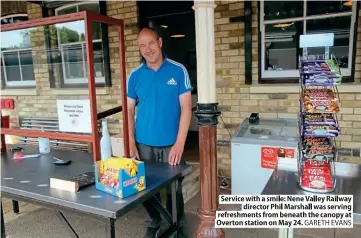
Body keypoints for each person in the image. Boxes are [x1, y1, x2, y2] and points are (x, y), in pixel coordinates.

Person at [126, 27, 193, 238]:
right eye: (142, 45)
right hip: (143, 143)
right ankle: (154, 220)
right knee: (144, 187)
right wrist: (130, 141)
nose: (147, 49)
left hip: (171, 143)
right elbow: (128, 110)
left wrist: (180, 143)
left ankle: (176, 225)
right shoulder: (135, 76)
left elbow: (186, 109)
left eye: (151, 43)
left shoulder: (178, 70)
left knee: (175, 188)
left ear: (160, 42)